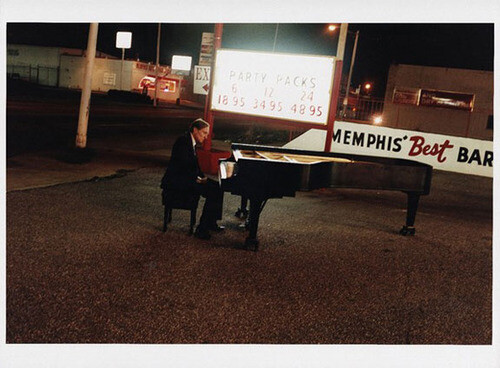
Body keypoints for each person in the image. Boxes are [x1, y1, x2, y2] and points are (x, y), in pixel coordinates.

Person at [160, 118, 224, 240]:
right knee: (213, 191)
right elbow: (183, 166)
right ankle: (202, 229)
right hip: (177, 182)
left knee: (218, 187)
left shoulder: (191, 142)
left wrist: (203, 177)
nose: (205, 137)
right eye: (204, 133)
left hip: (185, 178)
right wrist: (198, 179)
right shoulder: (183, 141)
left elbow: (194, 165)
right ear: (195, 130)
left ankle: (211, 222)